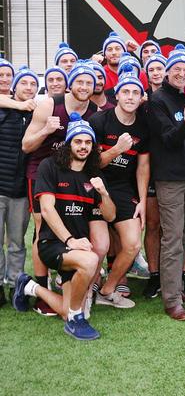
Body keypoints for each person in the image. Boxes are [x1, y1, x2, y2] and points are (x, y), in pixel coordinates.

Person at [12, 114, 115, 340]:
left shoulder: (94, 175)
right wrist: (70, 241)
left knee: (65, 310)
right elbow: (47, 210)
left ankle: (29, 287)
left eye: (88, 142)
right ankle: (78, 319)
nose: (83, 147)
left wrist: (104, 194)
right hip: (53, 244)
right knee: (90, 260)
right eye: (78, 141)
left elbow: (110, 215)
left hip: (76, 249)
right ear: (69, 143)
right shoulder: (50, 167)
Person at [22, 62, 100, 316]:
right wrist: (46, 129)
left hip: (72, 173)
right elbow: (26, 145)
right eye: (80, 81)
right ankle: (42, 290)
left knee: (75, 221)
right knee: (42, 226)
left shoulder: (94, 111)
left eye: (89, 82)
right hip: (43, 168)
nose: (84, 86)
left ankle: (68, 276)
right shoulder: (49, 104)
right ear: (70, 84)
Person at [147, 50, 185, 321]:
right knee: (172, 239)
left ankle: (177, 287)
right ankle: (171, 300)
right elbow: (169, 138)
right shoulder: (157, 101)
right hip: (170, 180)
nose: (181, 73)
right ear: (167, 72)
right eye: (176, 69)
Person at [89, 70, 150, 309]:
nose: (130, 96)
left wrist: (143, 201)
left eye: (136, 92)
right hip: (95, 185)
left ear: (141, 97)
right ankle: (85, 288)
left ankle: (107, 289)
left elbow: (143, 167)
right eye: (126, 91)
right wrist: (116, 150)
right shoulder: (99, 121)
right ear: (117, 94)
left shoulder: (143, 127)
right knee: (99, 246)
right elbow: (91, 164)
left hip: (123, 188)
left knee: (133, 244)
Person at [0, 67, 38, 307]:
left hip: (21, 190)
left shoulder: (37, 112)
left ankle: (16, 285)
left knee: (16, 241)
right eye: (23, 83)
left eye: (32, 84)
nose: (28, 87)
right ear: (15, 87)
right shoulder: (5, 108)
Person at [141, 51, 167, 299]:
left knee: (171, 227)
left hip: (170, 169)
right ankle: (154, 274)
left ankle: (175, 274)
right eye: (152, 69)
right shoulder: (140, 100)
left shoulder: (176, 96)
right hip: (147, 168)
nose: (157, 73)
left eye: (160, 68)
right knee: (152, 224)